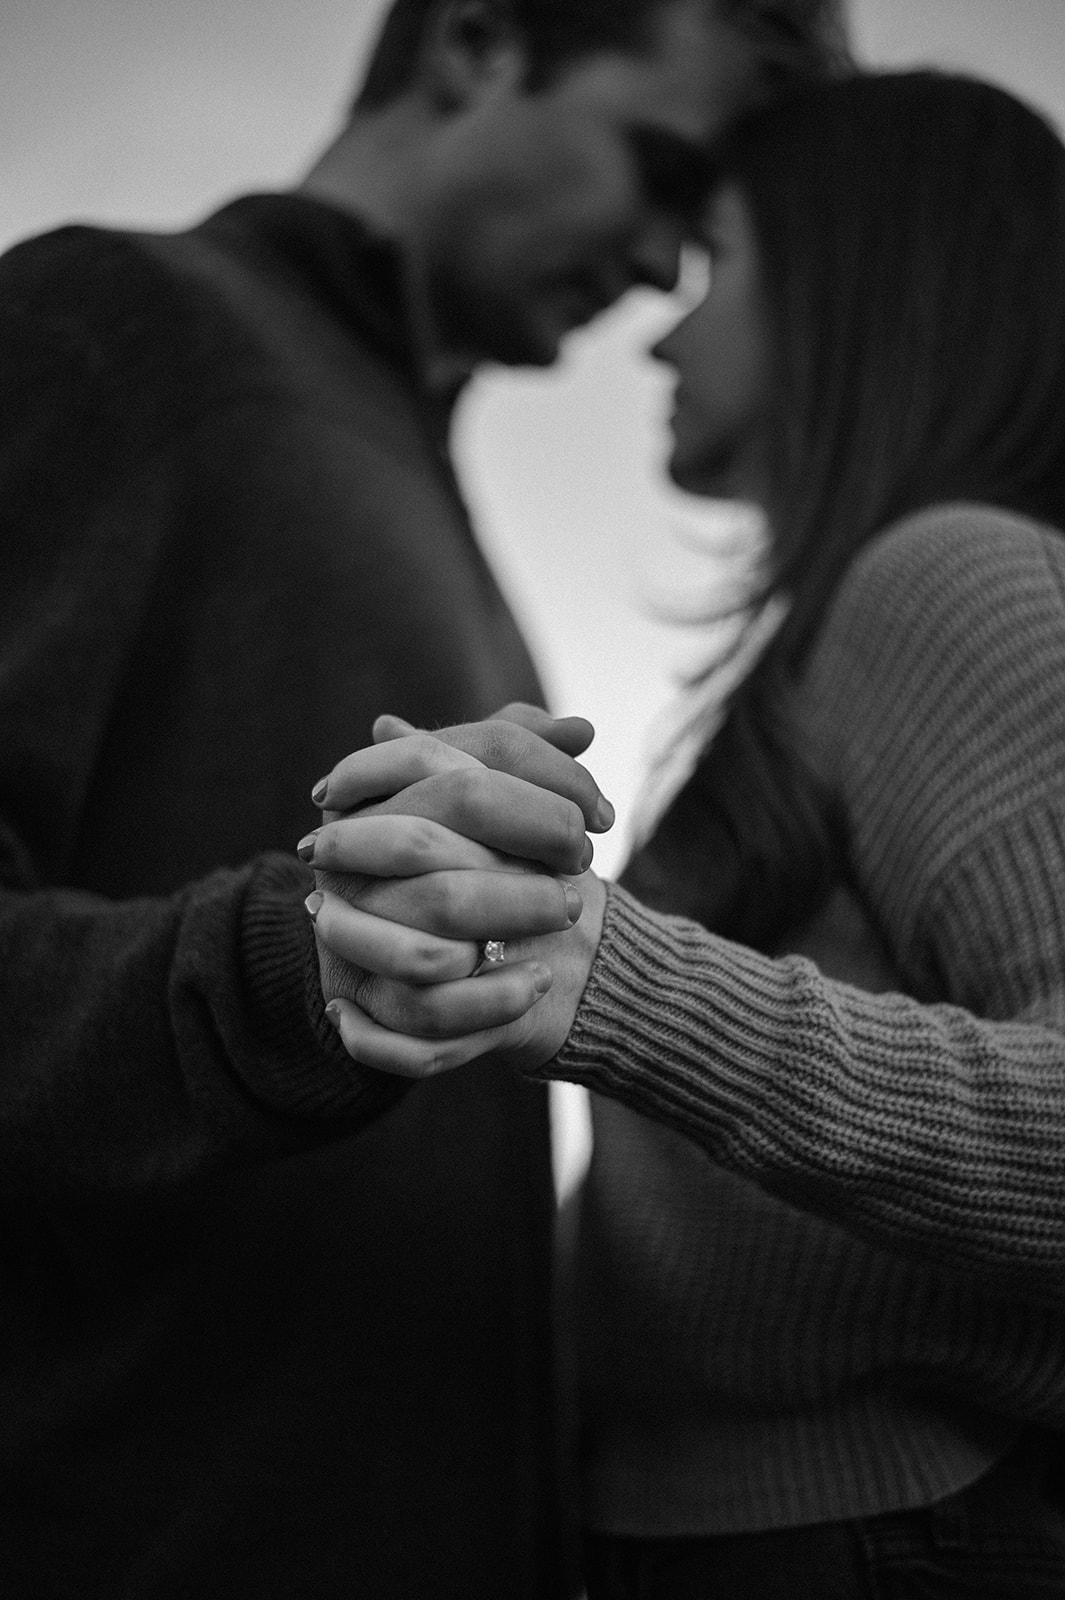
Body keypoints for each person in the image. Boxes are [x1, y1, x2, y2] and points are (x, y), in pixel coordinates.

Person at [0, 1, 850, 1594]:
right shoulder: (108, 325)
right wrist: (285, 977)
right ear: (473, 43)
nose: (665, 262)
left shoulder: (442, 522)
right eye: (660, 167)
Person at [308, 70, 1065, 1596]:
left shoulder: (952, 580)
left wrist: (606, 979)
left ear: (866, 279)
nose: (660, 326)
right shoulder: (841, 635)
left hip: (877, 1544)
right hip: (745, 1533)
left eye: (713, 262)